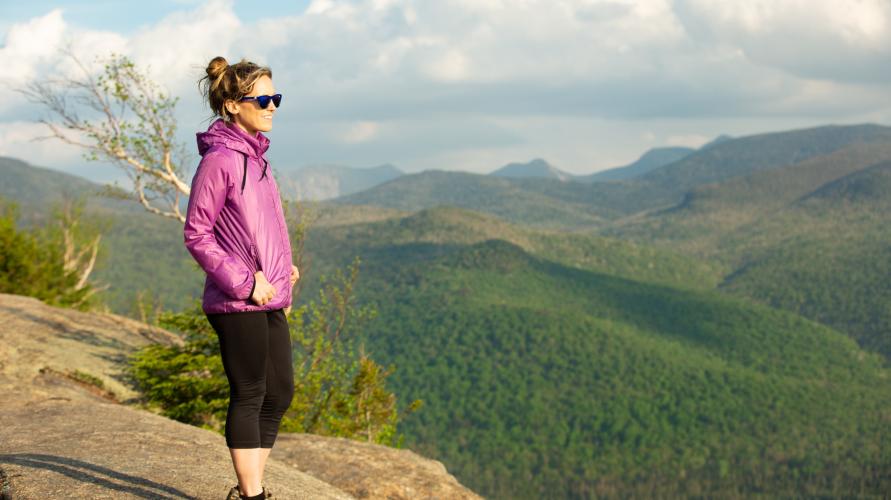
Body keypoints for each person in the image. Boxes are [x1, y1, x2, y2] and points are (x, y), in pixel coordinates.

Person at [185, 55, 299, 500]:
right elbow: (197, 232)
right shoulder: (220, 160)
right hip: (237, 300)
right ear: (233, 104)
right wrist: (246, 282)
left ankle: (251, 486)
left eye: (277, 98)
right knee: (250, 392)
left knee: (280, 393)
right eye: (264, 99)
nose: (272, 106)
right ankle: (251, 494)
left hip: (268, 294)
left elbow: (262, 228)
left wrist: (282, 270)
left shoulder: (259, 159)